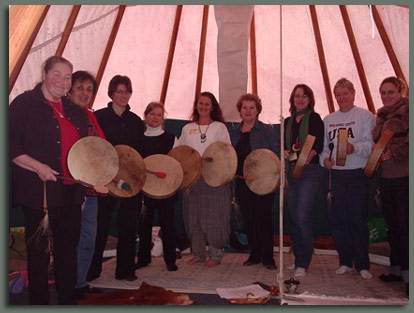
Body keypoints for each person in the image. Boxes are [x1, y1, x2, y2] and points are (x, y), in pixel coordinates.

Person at [9, 56, 88, 304]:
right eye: (57, 74)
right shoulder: (24, 104)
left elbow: (84, 153)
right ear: (44, 73)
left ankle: (66, 302)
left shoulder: (76, 111)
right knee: (39, 255)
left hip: (70, 194)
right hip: (38, 193)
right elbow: (7, 142)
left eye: (67, 77)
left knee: (67, 252)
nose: (62, 81)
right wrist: (36, 166)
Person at [87, 75, 144, 282]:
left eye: (127, 91)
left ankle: (125, 270)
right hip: (105, 178)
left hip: (129, 181)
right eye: (119, 91)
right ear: (111, 93)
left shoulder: (136, 121)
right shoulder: (98, 116)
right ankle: (92, 270)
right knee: (100, 224)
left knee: (128, 224)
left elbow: (139, 153)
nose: (123, 95)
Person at [320, 78, 375, 279]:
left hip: (356, 173)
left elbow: (372, 145)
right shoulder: (328, 119)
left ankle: (362, 264)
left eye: (345, 93)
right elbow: (325, 148)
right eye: (338, 94)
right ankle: (345, 261)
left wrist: (355, 148)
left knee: (357, 219)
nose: (342, 98)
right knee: (338, 220)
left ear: (353, 94)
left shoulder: (365, 116)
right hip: (335, 175)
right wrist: (324, 160)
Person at [175, 92, 232, 268]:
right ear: (196, 105)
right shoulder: (187, 129)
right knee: (194, 217)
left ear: (212, 107)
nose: (203, 107)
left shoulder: (220, 128)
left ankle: (215, 256)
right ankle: (198, 254)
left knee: (215, 217)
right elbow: (179, 152)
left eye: (207, 104)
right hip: (193, 179)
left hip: (215, 179)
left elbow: (227, 152)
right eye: (201, 103)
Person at [229, 93, 280, 270]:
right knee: (249, 219)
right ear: (240, 110)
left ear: (257, 110)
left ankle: (268, 258)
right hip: (242, 183)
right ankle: (254, 255)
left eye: (252, 107)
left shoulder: (266, 131)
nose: (248, 111)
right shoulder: (233, 132)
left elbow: (276, 154)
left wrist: (263, 174)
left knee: (263, 218)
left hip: (264, 183)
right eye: (245, 107)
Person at [66, 71, 105, 299]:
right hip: (73, 188)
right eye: (80, 87)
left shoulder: (91, 116)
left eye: (89, 89)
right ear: (70, 90)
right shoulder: (64, 115)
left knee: (88, 239)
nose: (84, 93)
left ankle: (80, 282)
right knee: (72, 240)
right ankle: (69, 284)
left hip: (92, 188)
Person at [372, 76, 409, 295]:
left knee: (405, 228)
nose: (386, 96)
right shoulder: (380, 116)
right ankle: (396, 269)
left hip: (404, 176)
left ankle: (408, 277)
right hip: (385, 178)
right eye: (383, 92)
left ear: (400, 91)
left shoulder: (408, 112)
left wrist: (393, 152)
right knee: (393, 227)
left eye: (390, 92)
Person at [283, 85, 324, 277]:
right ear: (292, 99)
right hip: (291, 170)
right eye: (297, 96)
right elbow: (284, 145)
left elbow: (319, 142)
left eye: (304, 96)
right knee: (293, 217)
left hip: (310, 171)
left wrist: (312, 152)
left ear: (310, 99)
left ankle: (303, 261)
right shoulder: (288, 121)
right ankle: (298, 256)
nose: (300, 99)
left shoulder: (314, 118)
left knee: (301, 216)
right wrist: (284, 151)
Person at [135, 101, 178, 272]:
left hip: (167, 189)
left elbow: (177, 165)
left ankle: (170, 260)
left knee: (168, 224)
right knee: (144, 225)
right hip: (145, 189)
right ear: (145, 116)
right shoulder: (138, 138)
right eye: (152, 114)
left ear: (163, 118)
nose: (155, 117)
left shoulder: (171, 138)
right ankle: (143, 258)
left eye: (159, 115)